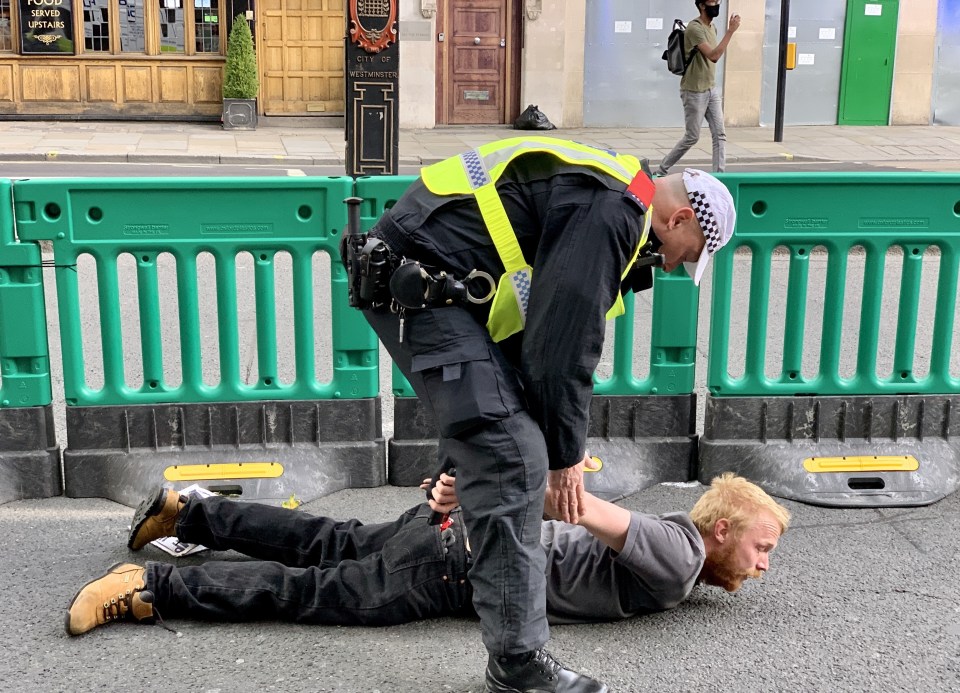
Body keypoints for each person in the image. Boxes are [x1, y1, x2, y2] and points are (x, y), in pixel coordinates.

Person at [336, 136, 736, 692]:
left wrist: (461, 457)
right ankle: (518, 662)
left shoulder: (617, 195)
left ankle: (199, 523)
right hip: (418, 279)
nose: (672, 265)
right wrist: (565, 459)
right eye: (686, 253)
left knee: (504, 441)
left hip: (432, 279)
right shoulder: (614, 211)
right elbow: (560, 349)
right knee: (515, 459)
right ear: (680, 218)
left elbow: (520, 349)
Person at [64, 473, 790, 650]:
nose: (762, 566)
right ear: (720, 528)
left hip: (453, 532)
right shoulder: (680, 552)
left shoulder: (672, 545)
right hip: (455, 566)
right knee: (311, 591)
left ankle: (185, 511)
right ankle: (150, 587)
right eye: (761, 547)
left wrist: (464, 492)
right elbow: (568, 499)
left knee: (325, 539)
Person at [657, 0, 741, 176]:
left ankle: (719, 176)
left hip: (711, 89)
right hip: (694, 91)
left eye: (718, 1)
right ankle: (662, 169)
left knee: (720, 135)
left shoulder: (712, 28)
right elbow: (714, 55)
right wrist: (731, 31)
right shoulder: (695, 29)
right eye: (712, 1)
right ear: (702, 5)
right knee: (692, 137)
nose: (716, 4)